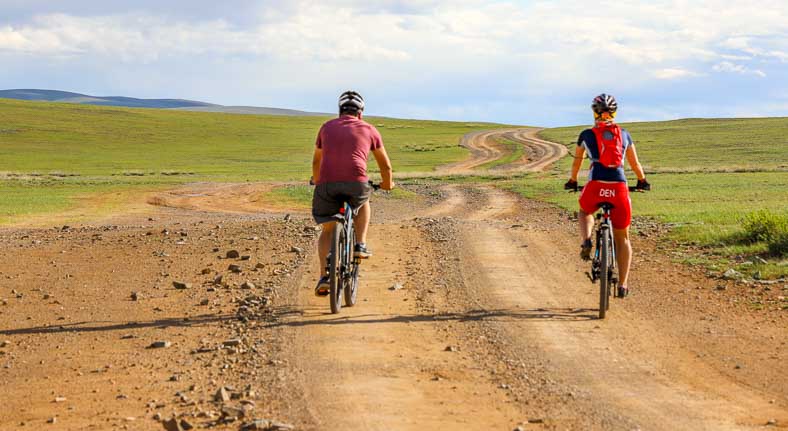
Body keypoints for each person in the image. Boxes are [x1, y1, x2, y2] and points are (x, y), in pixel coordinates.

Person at [564, 93, 650, 297]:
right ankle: (623, 285)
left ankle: (586, 240)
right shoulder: (625, 135)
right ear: (615, 112)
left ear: (594, 111)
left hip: (595, 185)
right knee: (623, 237)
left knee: (585, 211)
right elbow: (635, 164)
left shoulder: (586, 135)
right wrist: (642, 181)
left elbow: (577, 163)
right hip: (619, 188)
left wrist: (573, 181)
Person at [311, 90, 394, 296]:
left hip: (327, 185)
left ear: (339, 111)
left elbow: (316, 161)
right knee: (363, 200)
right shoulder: (369, 129)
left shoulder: (326, 127)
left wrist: (317, 180)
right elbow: (386, 166)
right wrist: (387, 184)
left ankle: (324, 277)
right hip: (356, 182)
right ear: (361, 112)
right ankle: (360, 244)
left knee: (327, 230)